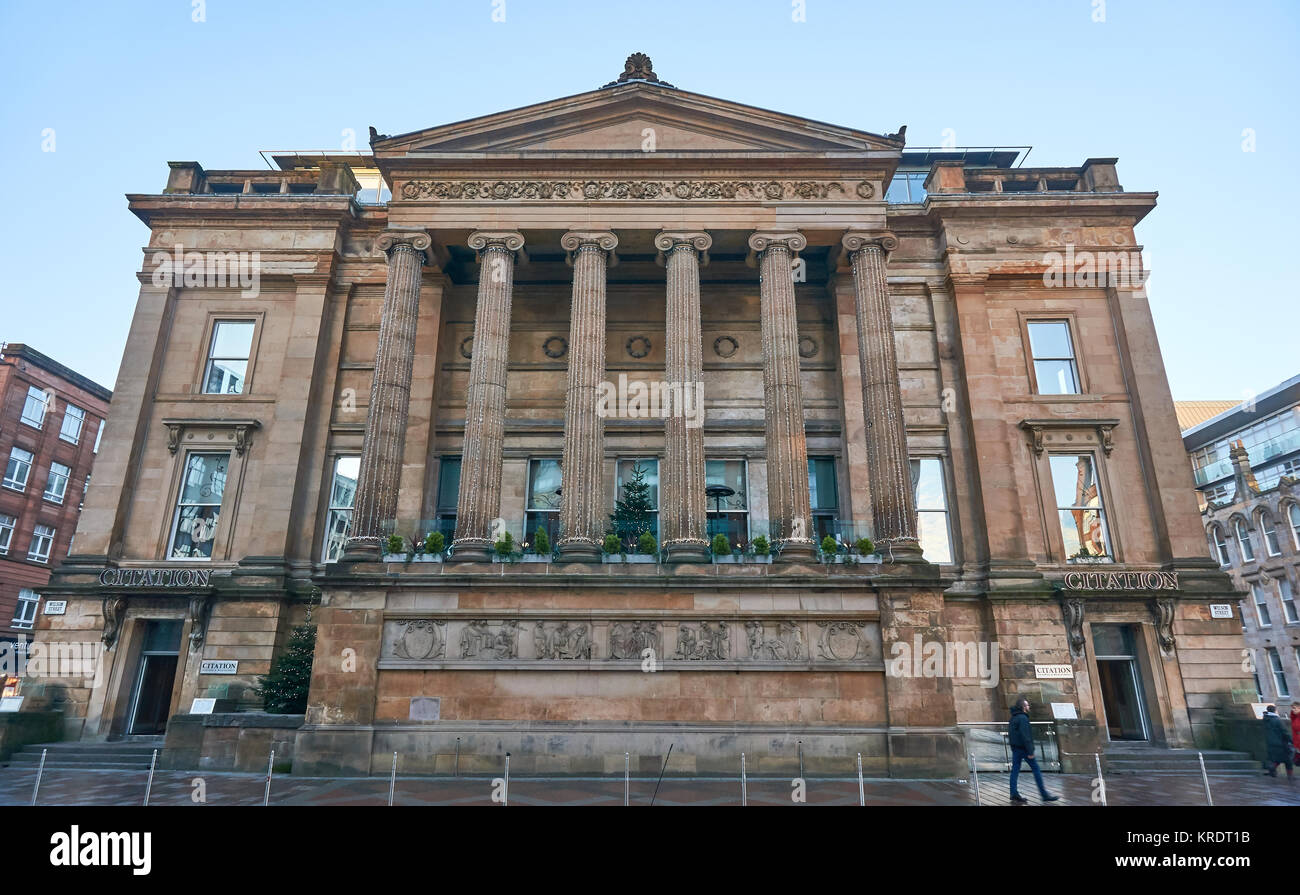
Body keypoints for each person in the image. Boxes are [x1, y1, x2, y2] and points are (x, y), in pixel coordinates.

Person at [1008, 697, 1059, 804]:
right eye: (1027, 705)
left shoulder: (1013, 718)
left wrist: (1013, 747)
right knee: (1036, 770)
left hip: (1016, 749)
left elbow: (1012, 735)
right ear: (1023, 707)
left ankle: (1013, 793)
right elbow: (1026, 736)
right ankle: (1044, 794)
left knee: (1015, 771)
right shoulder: (1023, 718)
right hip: (1025, 750)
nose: (1028, 707)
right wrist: (1030, 751)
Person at [1262, 704, 1295, 780]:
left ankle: (1272, 767)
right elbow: (1285, 732)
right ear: (1275, 710)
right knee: (1288, 759)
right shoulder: (1277, 720)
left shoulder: (1266, 719)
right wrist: (1291, 741)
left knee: (1277, 759)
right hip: (1281, 743)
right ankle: (1290, 776)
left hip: (1270, 743)